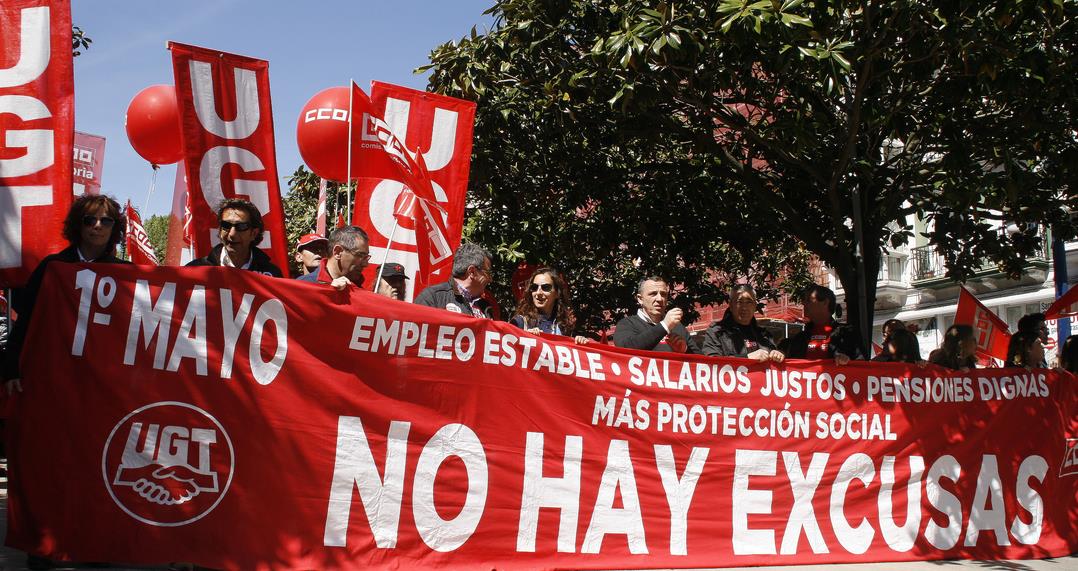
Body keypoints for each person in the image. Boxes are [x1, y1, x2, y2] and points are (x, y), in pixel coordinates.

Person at [4, 194, 131, 393]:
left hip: (101, 379)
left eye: (106, 220)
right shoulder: (52, 267)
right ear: (78, 225)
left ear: (114, 228)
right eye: (90, 219)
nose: (97, 225)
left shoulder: (127, 274)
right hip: (50, 372)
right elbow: (26, 319)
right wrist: (11, 368)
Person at [187, 198, 282, 277]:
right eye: (226, 225)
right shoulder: (195, 270)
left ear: (254, 233)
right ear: (220, 230)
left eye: (241, 227)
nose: (232, 234)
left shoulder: (272, 274)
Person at [779, 285, 863, 364]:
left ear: (825, 302)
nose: (803, 303)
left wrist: (848, 361)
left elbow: (862, 365)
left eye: (808, 299)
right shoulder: (800, 338)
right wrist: (779, 353)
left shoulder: (847, 334)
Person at [700, 284, 783, 362]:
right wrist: (747, 358)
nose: (744, 307)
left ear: (755, 306)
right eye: (739, 302)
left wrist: (777, 354)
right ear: (731, 306)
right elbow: (711, 363)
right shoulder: (716, 332)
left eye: (749, 302)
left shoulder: (764, 334)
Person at [414, 242, 496, 318]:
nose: (490, 280)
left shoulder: (486, 307)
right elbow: (415, 330)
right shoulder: (433, 297)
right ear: (472, 272)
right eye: (487, 273)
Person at [613, 276, 693, 353]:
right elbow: (625, 350)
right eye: (653, 294)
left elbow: (701, 361)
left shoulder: (677, 326)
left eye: (663, 294)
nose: (659, 299)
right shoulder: (627, 324)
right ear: (640, 299)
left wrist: (685, 349)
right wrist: (664, 326)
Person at [510, 267, 588, 344]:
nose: (538, 292)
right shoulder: (519, 322)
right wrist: (523, 337)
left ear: (557, 293)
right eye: (534, 287)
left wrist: (580, 343)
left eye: (546, 287)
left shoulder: (564, 326)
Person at [297, 226, 370, 291]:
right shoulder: (302, 287)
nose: (365, 264)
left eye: (323, 248)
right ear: (338, 252)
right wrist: (328, 293)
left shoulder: (361, 291)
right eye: (360, 255)